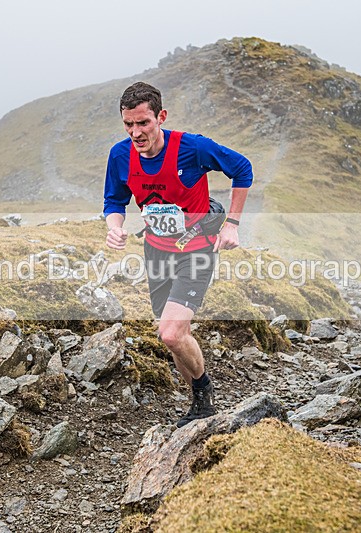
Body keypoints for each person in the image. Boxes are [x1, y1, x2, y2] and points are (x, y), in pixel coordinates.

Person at [103, 81, 253, 427]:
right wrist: (115, 226)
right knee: (173, 338)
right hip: (156, 250)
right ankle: (201, 409)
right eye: (129, 124)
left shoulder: (192, 148)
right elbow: (114, 200)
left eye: (144, 123)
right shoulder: (120, 155)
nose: (136, 132)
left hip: (197, 248)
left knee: (170, 332)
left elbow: (242, 168)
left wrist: (232, 223)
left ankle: (204, 393)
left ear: (161, 117)